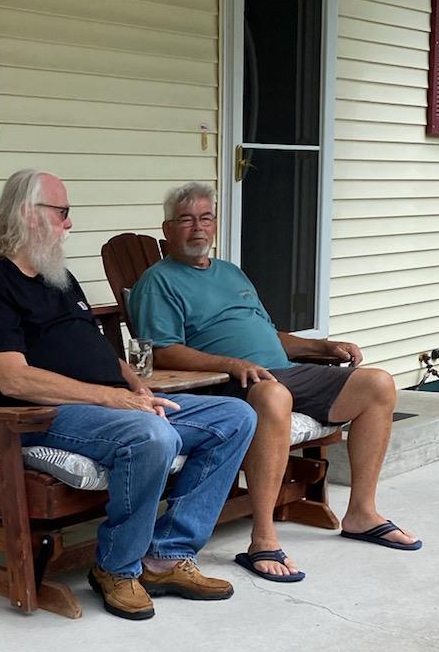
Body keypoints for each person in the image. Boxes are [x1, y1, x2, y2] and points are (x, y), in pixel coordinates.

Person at [0, 170, 257, 621]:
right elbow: (13, 380)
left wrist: (135, 386)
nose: (69, 224)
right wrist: (113, 400)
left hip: (115, 407)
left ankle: (166, 556)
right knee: (151, 435)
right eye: (62, 213)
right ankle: (116, 567)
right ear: (26, 214)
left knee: (235, 416)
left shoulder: (58, 277)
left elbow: (95, 349)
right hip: (45, 416)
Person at [127, 182, 420, 583]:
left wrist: (321, 345)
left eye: (205, 218)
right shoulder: (158, 282)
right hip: (222, 383)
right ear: (167, 229)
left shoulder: (231, 273)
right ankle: (262, 537)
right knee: (273, 394)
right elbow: (162, 350)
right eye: (186, 220)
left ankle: (361, 513)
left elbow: (270, 335)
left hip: (282, 370)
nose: (197, 227)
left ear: (215, 225)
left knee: (378, 384)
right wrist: (231, 364)